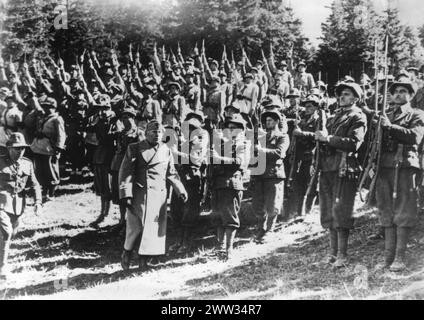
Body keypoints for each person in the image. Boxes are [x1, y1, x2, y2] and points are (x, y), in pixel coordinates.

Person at [119, 120, 188, 271]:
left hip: (158, 196)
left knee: (151, 230)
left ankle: (143, 262)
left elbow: (171, 173)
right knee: (135, 228)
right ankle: (127, 252)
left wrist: (180, 189)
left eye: (159, 133)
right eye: (153, 132)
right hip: (139, 195)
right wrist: (126, 195)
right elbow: (125, 173)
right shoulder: (135, 148)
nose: (156, 135)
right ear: (145, 133)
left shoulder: (166, 150)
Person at [315, 82, 367, 268]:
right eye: (340, 95)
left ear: (356, 98)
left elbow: (354, 143)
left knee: (341, 211)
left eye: (346, 94)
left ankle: (343, 255)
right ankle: (332, 253)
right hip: (328, 167)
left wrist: (328, 138)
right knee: (328, 211)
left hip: (344, 167)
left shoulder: (357, 116)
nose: (341, 97)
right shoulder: (333, 117)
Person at [375, 79, 424, 272]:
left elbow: (415, 137)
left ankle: (400, 257)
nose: (397, 94)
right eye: (394, 91)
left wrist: (389, 127)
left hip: (404, 166)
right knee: (386, 211)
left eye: (403, 91)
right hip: (384, 167)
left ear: (411, 95)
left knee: (404, 211)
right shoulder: (386, 115)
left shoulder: (417, 114)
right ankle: (388, 257)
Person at [0, 133, 42, 282]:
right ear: (9, 148)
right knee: (6, 232)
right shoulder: (1, 162)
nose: (20, 152)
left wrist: (38, 202)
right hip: (1, 204)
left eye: (23, 149)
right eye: (16, 149)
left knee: (12, 234)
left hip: (18, 206)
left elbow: (35, 184)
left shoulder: (27, 164)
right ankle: (2, 267)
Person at [210, 114, 250, 259]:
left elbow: (238, 162)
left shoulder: (242, 144)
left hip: (232, 184)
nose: (230, 130)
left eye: (234, 128)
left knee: (230, 217)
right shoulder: (224, 144)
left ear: (241, 130)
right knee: (218, 217)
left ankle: (229, 249)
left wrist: (218, 159)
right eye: (228, 128)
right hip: (219, 184)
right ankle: (220, 247)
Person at [170, 111, 208, 253]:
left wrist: (175, 153)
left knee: (190, 212)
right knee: (176, 210)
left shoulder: (198, 144)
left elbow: (195, 159)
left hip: (192, 180)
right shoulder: (182, 143)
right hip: (179, 180)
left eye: (192, 129)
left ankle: (187, 242)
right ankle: (178, 240)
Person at [252, 107, 289, 241]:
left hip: (274, 174)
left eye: (271, 120)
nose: (268, 123)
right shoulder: (261, 136)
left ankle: (270, 229)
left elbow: (280, 153)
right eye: (266, 120)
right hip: (260, 174)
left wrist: (262, 150)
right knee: (258, 203)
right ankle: (261, 228)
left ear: (277, 121)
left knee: (272, 203)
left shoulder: (283, 137)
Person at [286, 95, 321, 217]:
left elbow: (318, 136)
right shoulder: (301, 120)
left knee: (310, 183)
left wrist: (302, 134)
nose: (307, 108)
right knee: (298, 183)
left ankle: (307, 211)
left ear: (316, 107)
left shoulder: (318, 120)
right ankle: (299, 211)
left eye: (310, 106)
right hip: (300, 156)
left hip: (312, 156)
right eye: (305, 106)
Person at [110, 105, 142, 231]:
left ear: (133, 118)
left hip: (132, 167)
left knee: (131, 195)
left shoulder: (138, 133)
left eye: (128, 117)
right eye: (123, 118)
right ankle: (122, 220)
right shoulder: (121, 133)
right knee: (120, 194)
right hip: (119, 166)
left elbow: (142, 151)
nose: (125, 120)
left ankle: (132, 222)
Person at [30, 97, 66, 202]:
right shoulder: (43, 117)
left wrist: (58, 149)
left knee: (51, 170)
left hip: (49, 149)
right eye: (45, 107)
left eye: (49, 107)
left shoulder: (57, 119)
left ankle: (51, 193)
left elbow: (61, 135)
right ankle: (44, 191)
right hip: (39, 147)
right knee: (40, 171)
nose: (47, 109)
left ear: (54, 108)